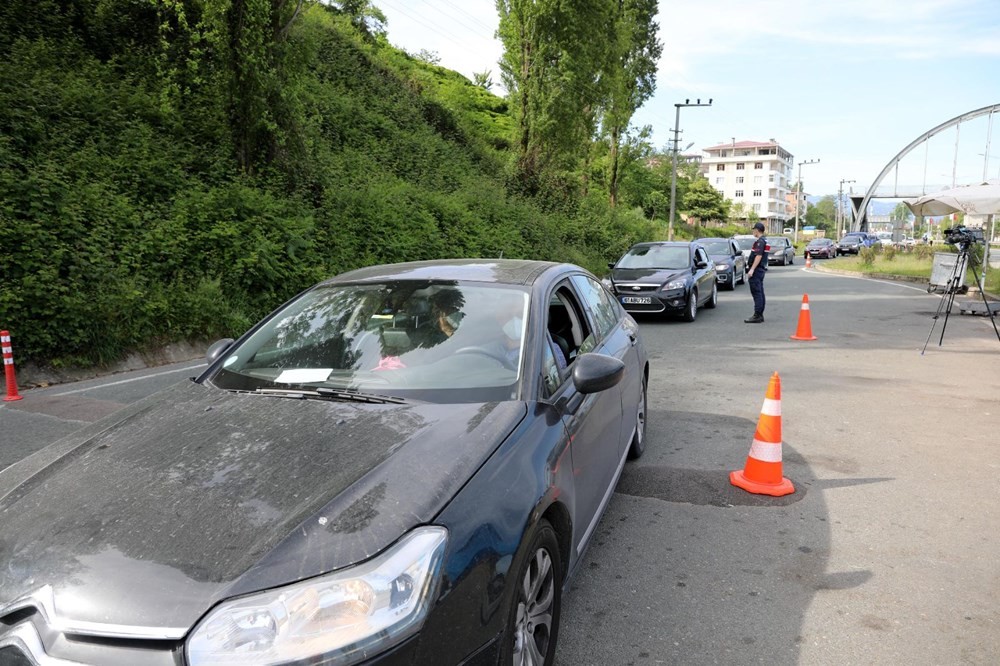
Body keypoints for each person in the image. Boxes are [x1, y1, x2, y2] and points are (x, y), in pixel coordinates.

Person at [745, 222, 768, 323]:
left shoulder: (760, 242)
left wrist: (752, 269)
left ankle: (757, 315)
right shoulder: (765, 241)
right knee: (760, 292)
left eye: (754, 230)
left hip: (757, 270)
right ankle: (760, 314)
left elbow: (758, 256)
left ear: (757, 230)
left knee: (757, 293)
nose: (753, 231)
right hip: (761, 269)